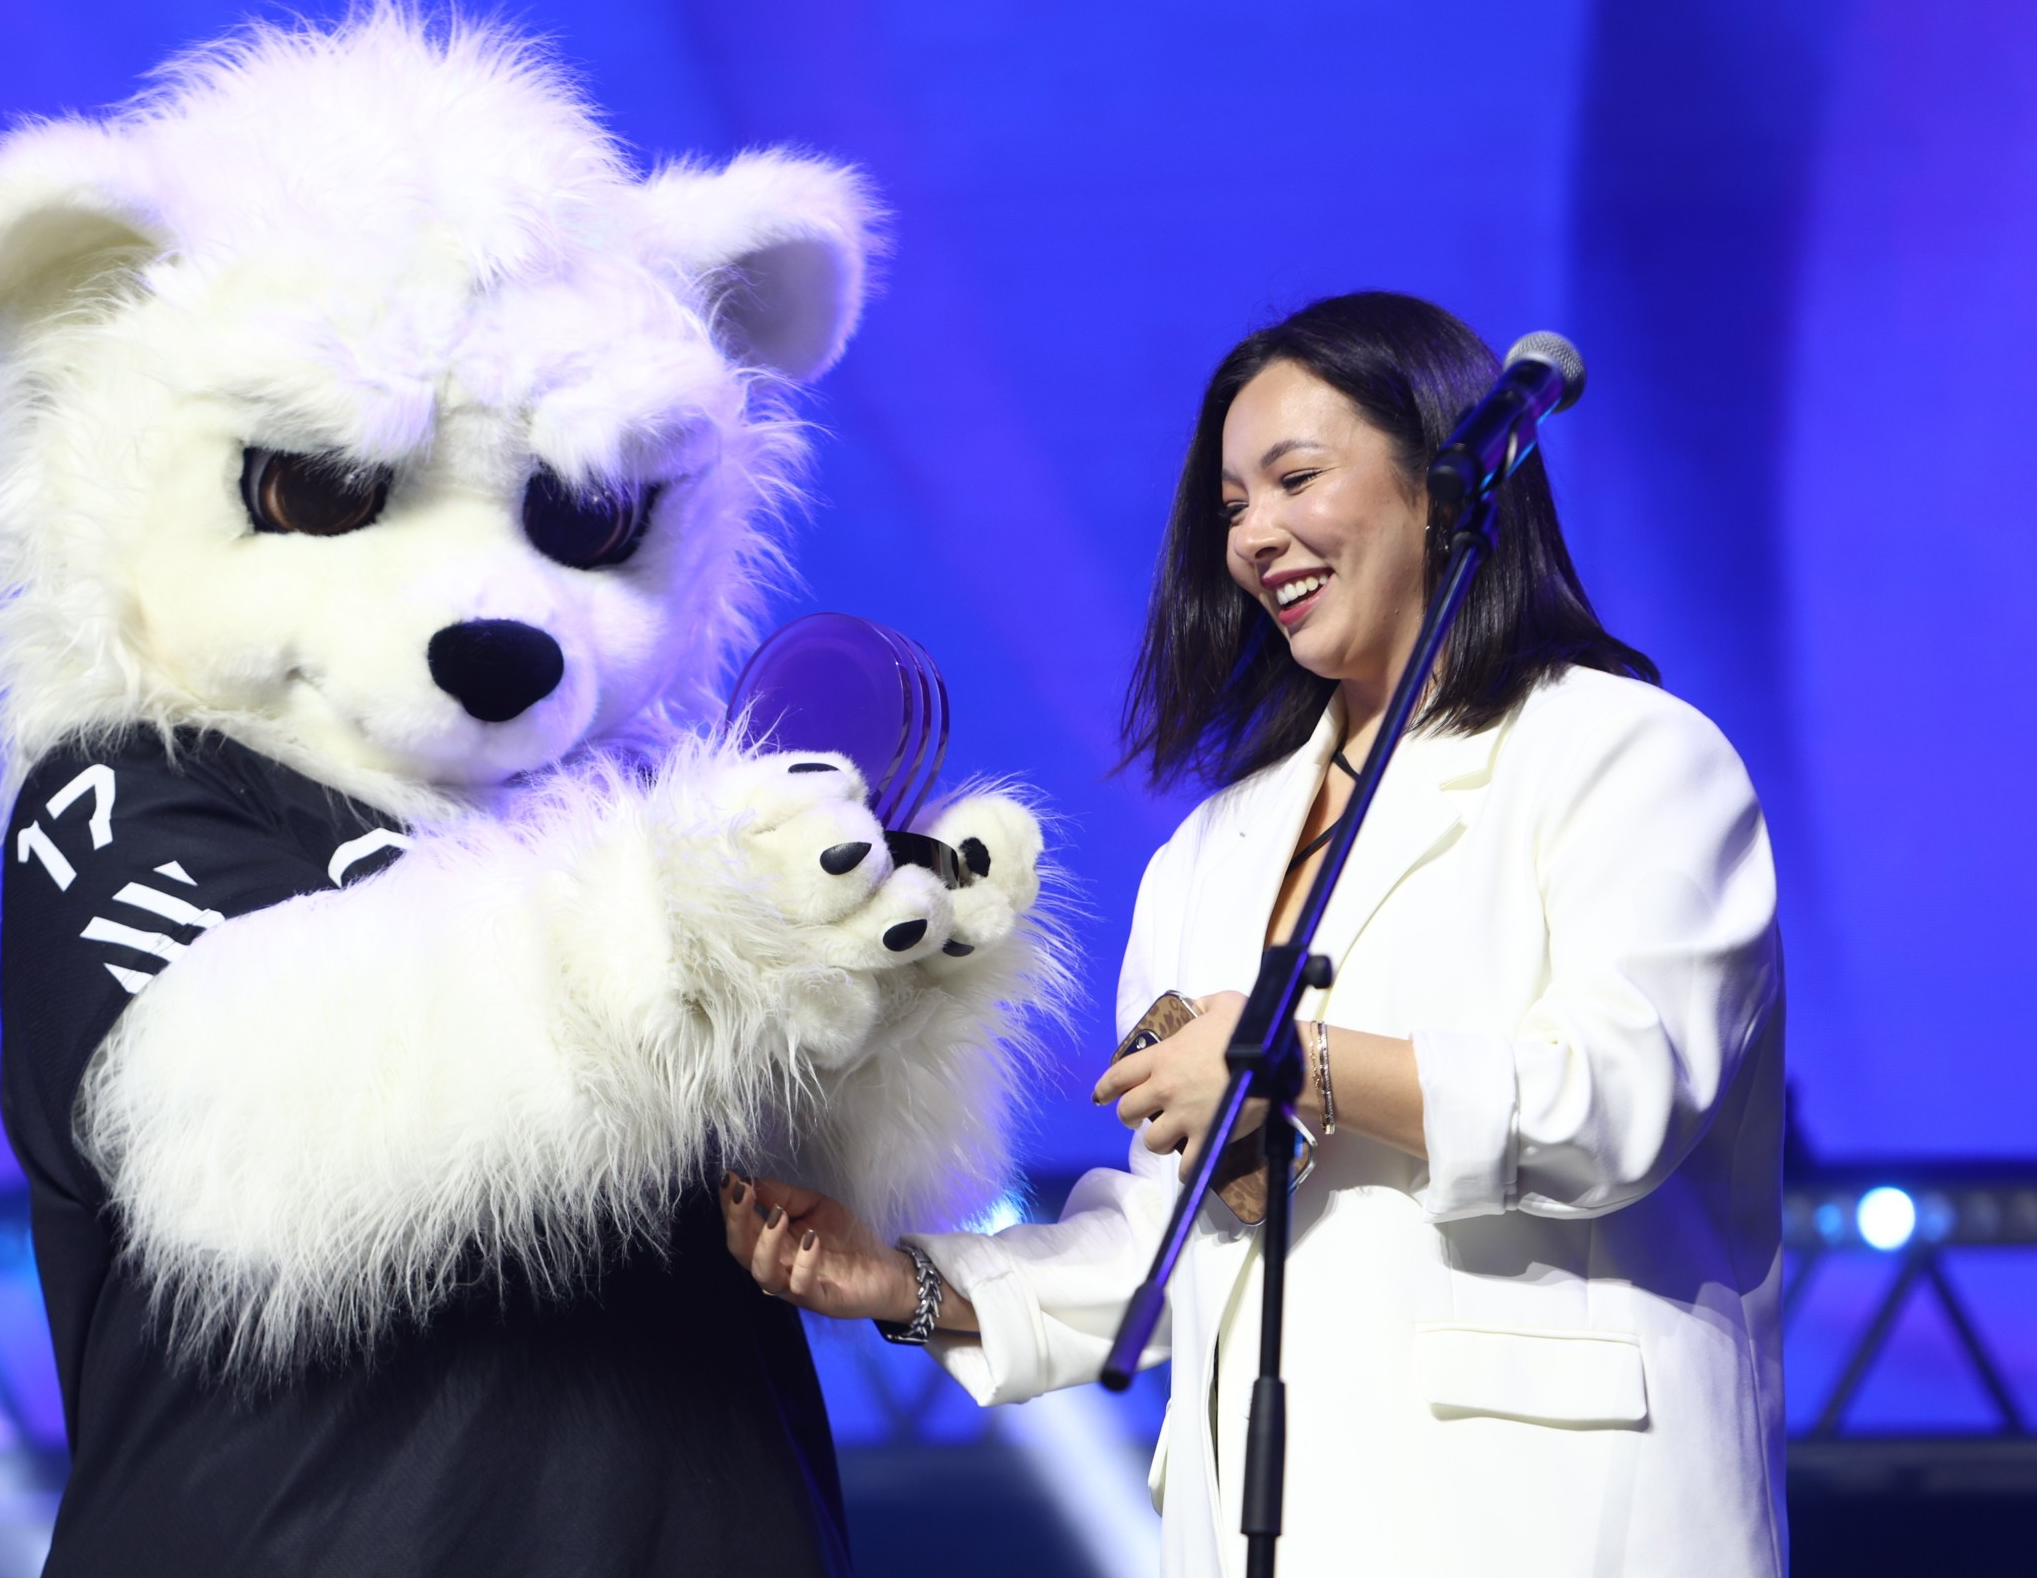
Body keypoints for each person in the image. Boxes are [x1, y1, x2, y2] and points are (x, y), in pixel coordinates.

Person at [721, 291, 1785, 1577]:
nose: (1254, 536)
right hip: (1262, 1529)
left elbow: (1617, 1098)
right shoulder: (1214, 851)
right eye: (1231, 506)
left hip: (1543, 1519)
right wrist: (906, 1284)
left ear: (1445, 483)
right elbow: (1173, 1240)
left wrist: (1305, 1061)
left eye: (1296, 477)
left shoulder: (1627, 757)